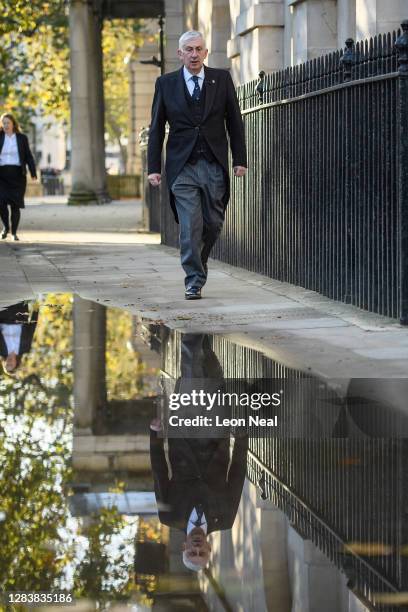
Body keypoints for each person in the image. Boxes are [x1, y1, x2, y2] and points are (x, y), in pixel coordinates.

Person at [147, 30, 247, 300]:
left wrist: (240, 160)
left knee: (213, 223)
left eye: (198, 49)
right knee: (190, 226)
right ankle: (193, 280)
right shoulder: (165, 84)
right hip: (182, 167)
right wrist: (154, 167)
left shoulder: (221, 79)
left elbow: (235, 122)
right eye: (188, 49)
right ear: (180, 54)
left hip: (214, 164)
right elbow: (156, 128)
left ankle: (198, 263)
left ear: (205, 52)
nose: (194, 54)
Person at [150, 334, 248, 572]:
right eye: (200, 552)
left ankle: (191, 329)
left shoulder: (169, 517)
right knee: (211, 372)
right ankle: (198, 334)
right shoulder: (224, 519)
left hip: (182, 432)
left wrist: (154, 435)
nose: (196, 548)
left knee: (192, 370)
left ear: (184, 546)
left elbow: (159, 473)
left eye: (191, 552)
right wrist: (242, 436)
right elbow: (237, 475)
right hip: (216, 433)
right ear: (208, 549)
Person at [0, 113, 37, 241]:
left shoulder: (22, 138)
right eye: (3, 123)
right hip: (2, 175)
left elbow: (28, 156)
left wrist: (33, 172)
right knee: (1, 203)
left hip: (17, 175)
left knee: (15, 205)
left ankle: (14, 232)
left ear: (13, 124)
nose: (5, 125)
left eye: (7, 123)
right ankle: (6, 227)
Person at [0, 301, 39, 375]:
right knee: (19, 291)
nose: (9, 362)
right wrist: (35, 309)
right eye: (11, 365)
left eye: (7, 364)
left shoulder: (1, 350)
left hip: (2, 315)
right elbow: (31, 329)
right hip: (19, 314)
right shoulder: (25, 348)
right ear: (16, 363)